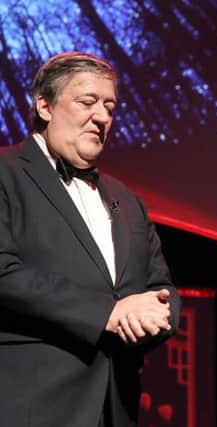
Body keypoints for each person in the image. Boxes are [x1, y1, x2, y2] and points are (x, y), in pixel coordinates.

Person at [0, 51, 181, 427]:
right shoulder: (5, 173)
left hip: (117, 409)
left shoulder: (128, 201)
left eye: (109, 107)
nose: (102, 116)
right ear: (45, 106)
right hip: (30, 406)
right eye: (87, 102)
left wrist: (157, 316)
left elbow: (162, 289)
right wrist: (107, 314)